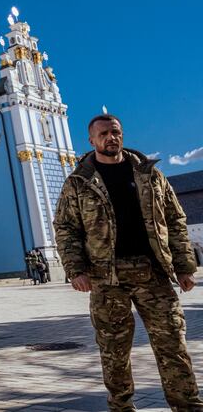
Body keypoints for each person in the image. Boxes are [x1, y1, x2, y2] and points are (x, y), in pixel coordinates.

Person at [54, 114, 203, 411]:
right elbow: (66, 227)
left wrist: (184, 266)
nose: (111, 137)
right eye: (104, 134)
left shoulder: (149, 174)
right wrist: (76, 270)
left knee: (172, 345)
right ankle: (121, 407)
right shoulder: (79, 182)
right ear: (92, 141)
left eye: (115, 132)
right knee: (114, 352)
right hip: (107, 278)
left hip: (154, 274)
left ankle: (187, 406)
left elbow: (174, 219)